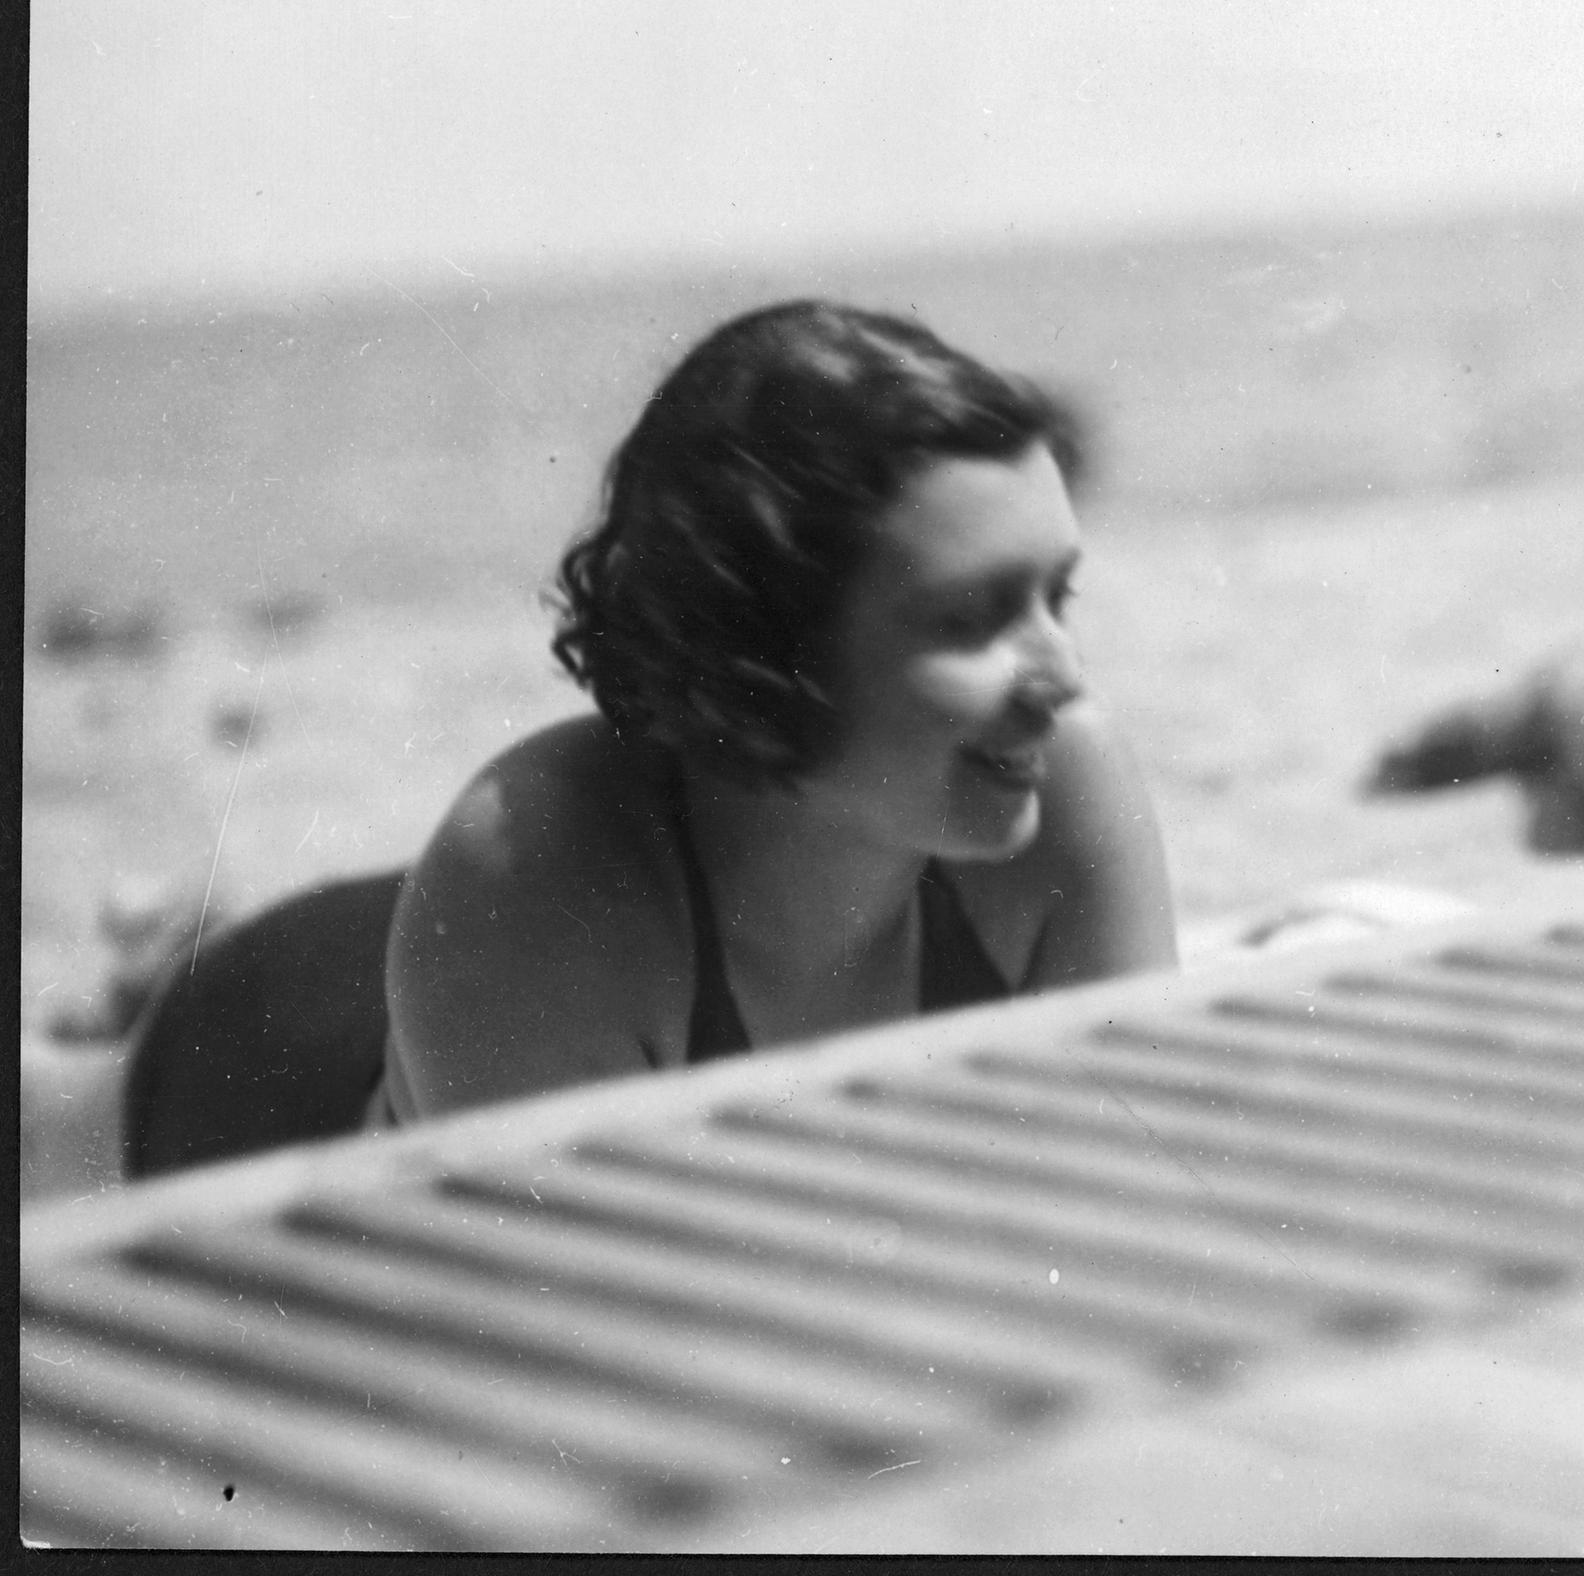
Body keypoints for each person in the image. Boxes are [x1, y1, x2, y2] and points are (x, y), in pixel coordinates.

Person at [361, 300, 1176, 1125]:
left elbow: (1140, 1182)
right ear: (767, 645)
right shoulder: (533, 880)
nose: (1064, 677)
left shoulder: (1063, 779)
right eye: (970, 619)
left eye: (1056, 596)